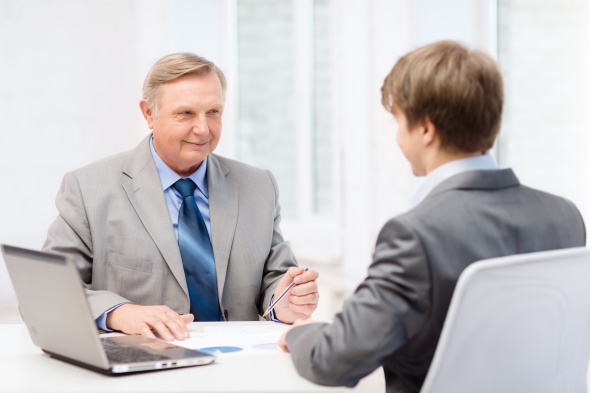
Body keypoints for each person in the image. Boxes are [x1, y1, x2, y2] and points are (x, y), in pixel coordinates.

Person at [278, 40, 586, 393]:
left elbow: (335, 360)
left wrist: (301, 332)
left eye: (399, 121)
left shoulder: (415, 235)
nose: (397, 135)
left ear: (425, 129)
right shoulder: (565, 216)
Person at [43, 53, 319, 342]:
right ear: (149, 113)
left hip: (239, 365)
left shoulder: (259, 185)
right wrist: (121, 313)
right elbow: (49, 289)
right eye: (186, 113)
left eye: (213, 112)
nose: (203, 129)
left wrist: (283, 302)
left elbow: (275, 277)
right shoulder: (89, 188)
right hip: (146, 366)